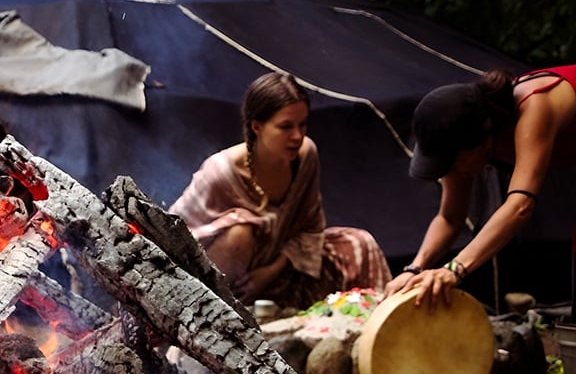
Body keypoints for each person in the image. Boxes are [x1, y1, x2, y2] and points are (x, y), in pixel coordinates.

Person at [170, 71, 391, 307]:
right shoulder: (220, 172)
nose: (297, 136)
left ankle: (382, 321)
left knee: (359, 242)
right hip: (227, 281)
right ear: (257, 126)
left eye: (302, 124)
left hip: (285, 267)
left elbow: (310, 228)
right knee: (239, 235)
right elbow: (173, 235)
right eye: (285, 126)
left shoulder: (306, 156)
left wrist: (271, 271)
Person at [386, 65, 576, 306]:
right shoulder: (464, 144)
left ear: (482, 140)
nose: (451, 172)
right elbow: (450, 218)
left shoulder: (535, 105)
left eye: (453, 162)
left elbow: (520, 205)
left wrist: (455, 269)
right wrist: (414, 269)